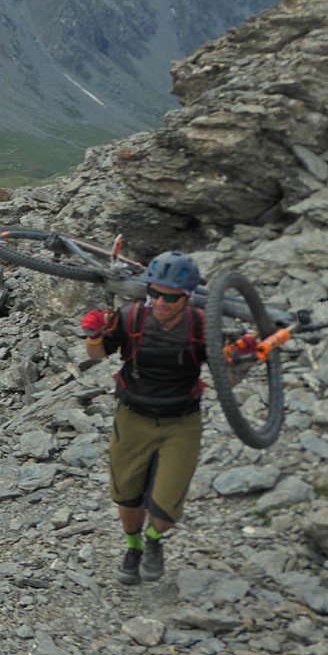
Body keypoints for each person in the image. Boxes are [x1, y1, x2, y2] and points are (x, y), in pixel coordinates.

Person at [80, 250, 252, 585]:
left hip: (181, 422)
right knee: (126, 495)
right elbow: (98, 355)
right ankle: (133, 549)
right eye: (154, 293)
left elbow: (225, 380)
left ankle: (154, 541)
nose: (160, 301)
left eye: (170, 297)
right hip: (132, 416)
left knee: (165, 511)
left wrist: (241, 362)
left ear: (187, 297)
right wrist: (93, 335)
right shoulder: (131, 317)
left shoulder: (202, 325)